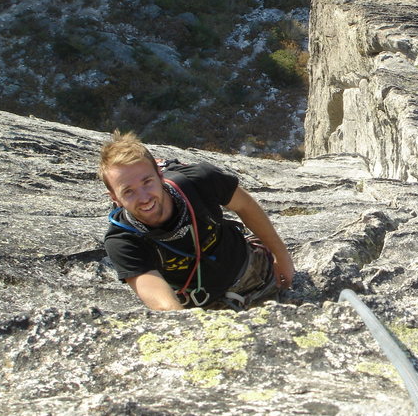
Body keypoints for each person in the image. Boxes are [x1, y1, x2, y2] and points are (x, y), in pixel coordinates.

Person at [99, 130, 295, 311]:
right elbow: (163, 303)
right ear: (114, 197)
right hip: (202, 306)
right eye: (128, 191)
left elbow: (245, 206)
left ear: (160, 175)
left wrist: (281, 256)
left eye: (147, 182)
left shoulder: (199, 181)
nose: (144, 198)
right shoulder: (123, 241)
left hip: (253, 271)